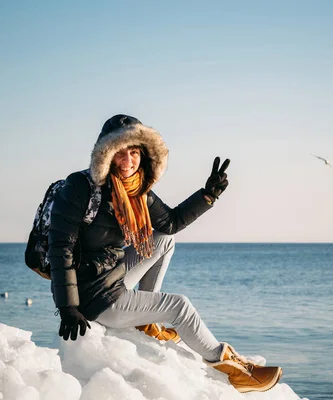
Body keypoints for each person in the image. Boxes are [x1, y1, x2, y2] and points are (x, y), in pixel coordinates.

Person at [48, 114, 282, 393]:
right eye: (120, 153)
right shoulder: (80, 188)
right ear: (106, 155)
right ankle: (234, 370)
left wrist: (208, 195)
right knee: (179, 306)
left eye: (133, 152)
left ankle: (146, 323)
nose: (128, 161)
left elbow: (170, 222)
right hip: (94, 297)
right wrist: (68, 306)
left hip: (112, 275)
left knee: (164, 239)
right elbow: (60, 247)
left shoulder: (137, 189)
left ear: (143, 155)